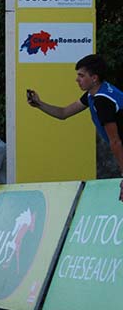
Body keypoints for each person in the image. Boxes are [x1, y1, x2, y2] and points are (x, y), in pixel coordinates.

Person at [27, 54, 123, 200]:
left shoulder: (102, 101)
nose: (77, 79)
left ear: (94, 78)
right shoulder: (93, 94)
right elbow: (64, 113)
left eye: (81, 75)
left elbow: (115, 141)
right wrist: (39, 104)